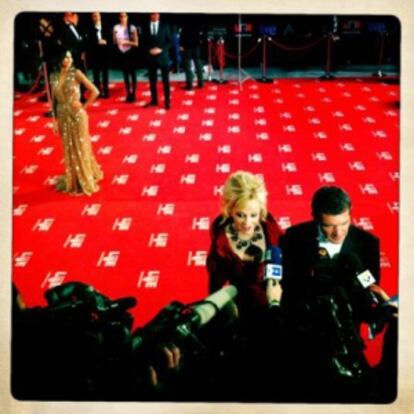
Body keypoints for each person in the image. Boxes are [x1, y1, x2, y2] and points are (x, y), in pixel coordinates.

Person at [279, 186, 395, 402]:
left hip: (344, 340)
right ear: (315, 218)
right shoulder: (294, 238)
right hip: (303, 336)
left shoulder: (367, 243)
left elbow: (368, 291)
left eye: (344, 223)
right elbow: (286, 288)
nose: (338, 233)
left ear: (350, 213)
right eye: (329, 226)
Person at [50, 49, 103, 196]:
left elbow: (95, 91)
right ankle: (74, 177)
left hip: (77, 116)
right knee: (69, 148)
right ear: (60, 59)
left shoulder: (76, 73)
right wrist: (54, 120)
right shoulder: (53, 76)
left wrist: (83, 106)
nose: (69, 59)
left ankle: (84, 178)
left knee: (81, 146)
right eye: (66, 57)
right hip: (62, 116)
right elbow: (54, 101)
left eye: (70, 57)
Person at [143, 12, 172, 109]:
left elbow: (170, 42)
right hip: (150, 57)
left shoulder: (165, 26)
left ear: (159, 15)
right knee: (152, 81)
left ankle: (167, 101)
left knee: (166, 81)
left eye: (156, 14)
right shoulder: (146, 26)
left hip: (163, 57)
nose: (155, 16)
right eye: (152, 14)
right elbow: (143, 41)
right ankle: (154, 100)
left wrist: (161, 49)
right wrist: (149, 50)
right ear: (150, 15)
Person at [113, 12, 138, 102]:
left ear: (127, 17)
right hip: (122, 53)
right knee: (125, 73)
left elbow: (136, 43)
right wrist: (118, 41)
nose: (122, 18)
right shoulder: (116, 27)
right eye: (121, 16)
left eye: (124, 16)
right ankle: (128, 93)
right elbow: (114, 42)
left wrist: (126, 42)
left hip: (130, 52)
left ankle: (134, 93)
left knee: (132, 73)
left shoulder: (132, 27)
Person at [86, 12, 111, 98]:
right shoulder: (90, 29)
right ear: (92, 18)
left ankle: (106, 91)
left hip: (105, 53)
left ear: (100, 16)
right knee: (96, 74)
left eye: (97, 15)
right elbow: (88, 43)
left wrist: (106, 42)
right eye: (94, 16)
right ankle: (98, 92)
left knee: (105, 74)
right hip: (95, 54)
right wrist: (97, 42)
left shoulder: (106, 27)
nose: (96, 17)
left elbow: (111, 39)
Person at [180, 17, 204, 90]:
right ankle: (200, 83)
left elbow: (183, 33)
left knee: (187, 65)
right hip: (196, 44)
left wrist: (181, 44)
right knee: (198, 63)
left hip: (187, 45)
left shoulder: (185, 20)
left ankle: (189, 84)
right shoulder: (197, 19)